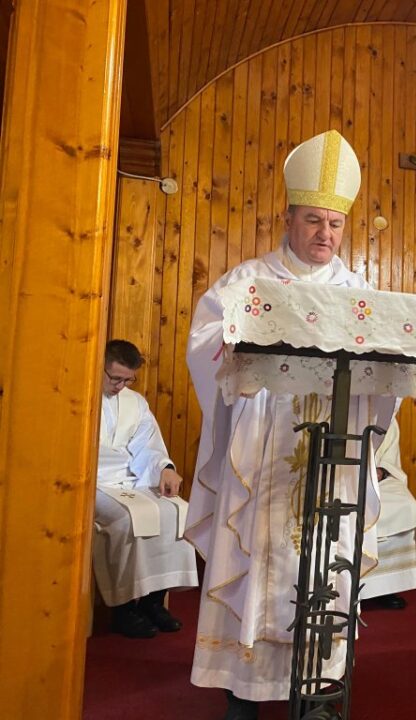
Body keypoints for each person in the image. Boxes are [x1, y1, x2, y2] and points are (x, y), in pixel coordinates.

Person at [185, 130, 398, 720]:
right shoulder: (248, 283)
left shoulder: (360, 294)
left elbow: (387, 373)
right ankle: (244, 693)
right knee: (256, 560)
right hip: (264, 446)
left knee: (325, 560)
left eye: (334, 223)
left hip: (332, 454)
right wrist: (241, 352)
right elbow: (205, 342)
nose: (324, 234)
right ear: (289, 217)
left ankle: (318, 693)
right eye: (313, 220)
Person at [93, 339, 198, 638]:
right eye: (114, 378)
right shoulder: (80, 398)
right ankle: (123, 609)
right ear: (99, 366)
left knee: (178, 510)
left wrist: (164, 468)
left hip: (129, 478)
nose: (120, 386)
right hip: (93, 482)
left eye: (128, 380)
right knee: (130, 518)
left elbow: (147, 447)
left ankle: (153, 602)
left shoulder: (135, 403)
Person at [360, 418, 416, 610]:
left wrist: (381, 470)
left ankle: (384, 587)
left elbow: (389, 457)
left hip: (377, 480)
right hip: (343, 477)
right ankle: (349, 587)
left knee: (406, 507)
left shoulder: (385, 415)